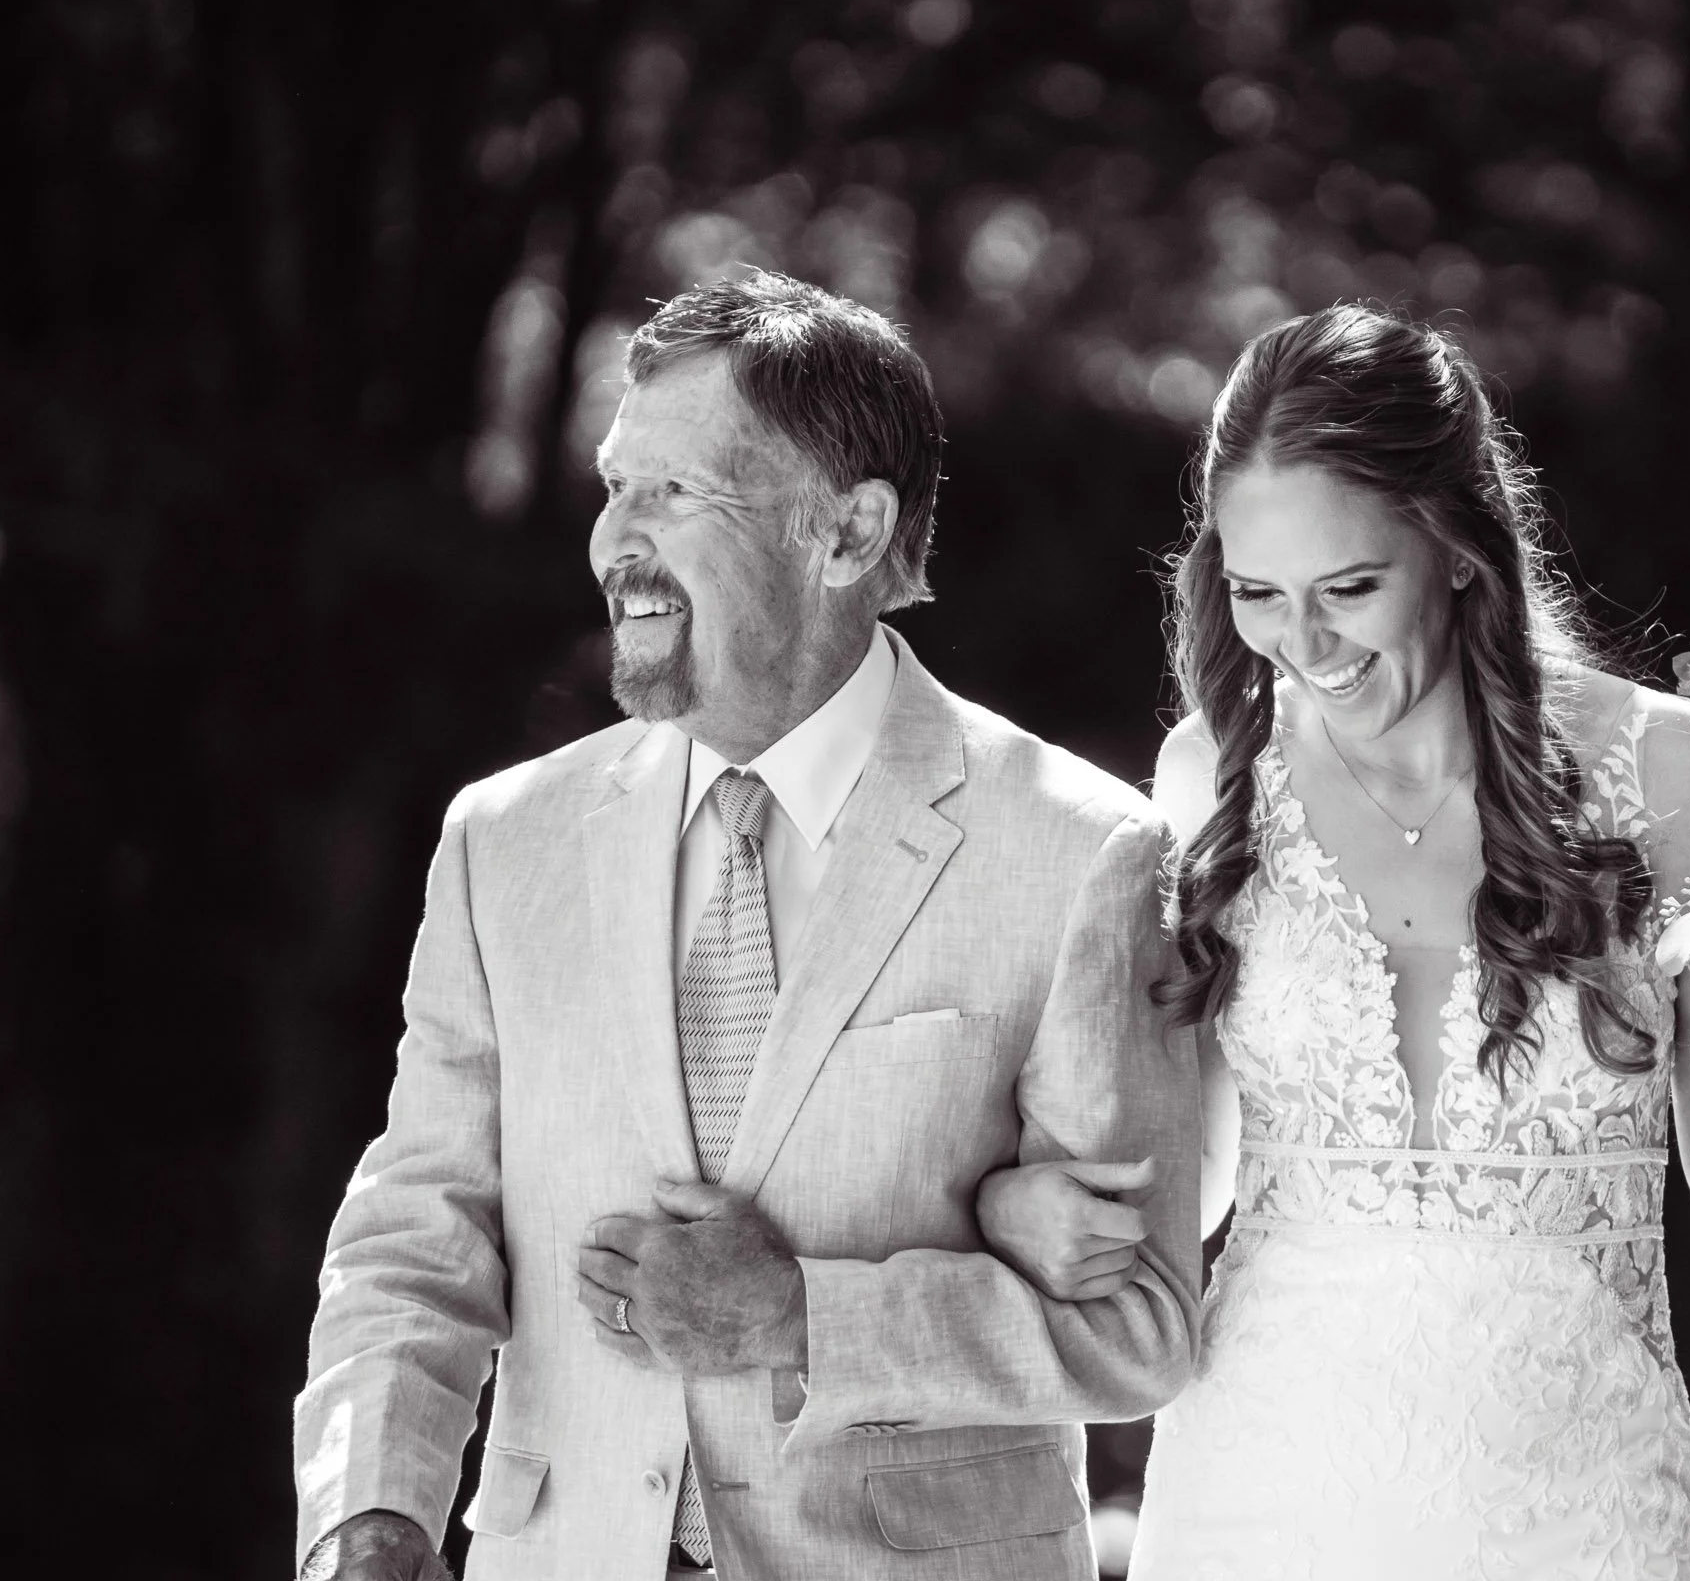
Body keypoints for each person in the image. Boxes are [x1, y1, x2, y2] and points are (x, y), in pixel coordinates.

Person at [973, 305, 1690, 1579]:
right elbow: (1191, 1172)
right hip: (1257, 1494)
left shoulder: (1674, 773)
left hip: (1574, 1507)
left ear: (1460, 545)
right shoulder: (1212, 774)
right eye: (1256, 593)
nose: (1300, 646)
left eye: (1349, 588)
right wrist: (1035, 1198)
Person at [292, 273, 1202, 1581]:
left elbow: (1138, 1325)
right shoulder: (503, 844)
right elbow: (415, 1232)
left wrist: (801, 1317)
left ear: (843, 532)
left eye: (671, 493)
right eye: (614, 487)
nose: (614, 540)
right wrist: (368, 1518)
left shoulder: (1082, 851)